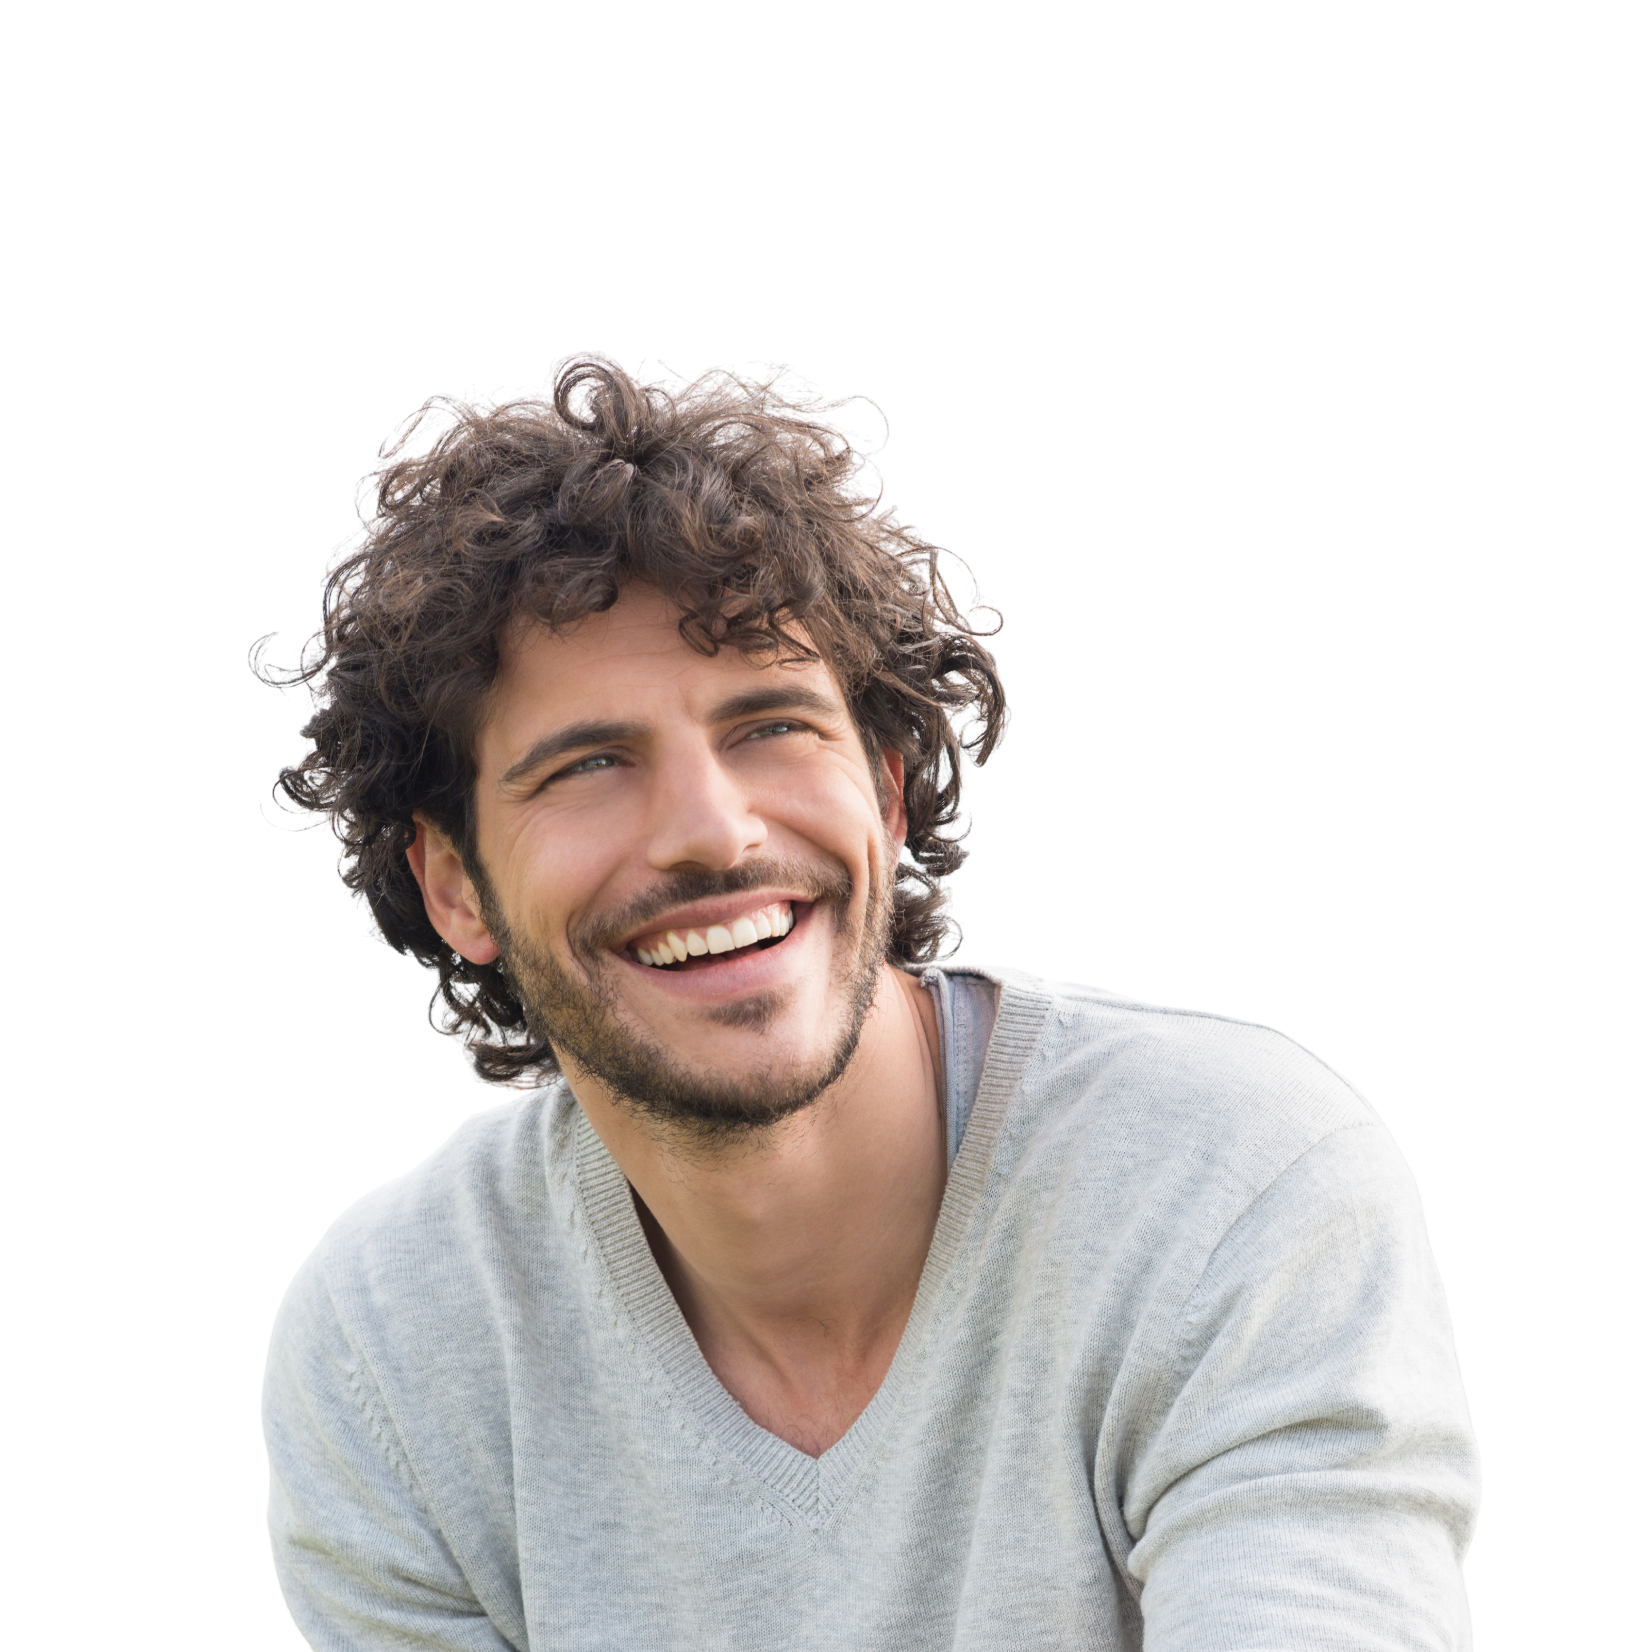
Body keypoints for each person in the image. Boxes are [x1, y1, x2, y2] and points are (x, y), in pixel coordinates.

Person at [256, 352, 1482, 1650]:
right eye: (591, 764)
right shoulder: (395, 1338)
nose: (713, 834)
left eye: (770, 725)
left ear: (889, 795)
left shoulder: (1236, 1186)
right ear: (453, 885)